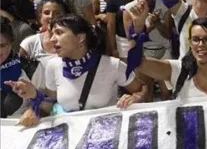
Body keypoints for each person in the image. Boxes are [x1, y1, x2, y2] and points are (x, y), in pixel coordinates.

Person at [6, 14, 144, 126]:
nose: (52, 39)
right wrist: (34, 99)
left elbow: (142, 89)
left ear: (80, 38)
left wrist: (135, 98)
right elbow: (50, 104)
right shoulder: (53, 66)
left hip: (106, 140)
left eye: (59, 33)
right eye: (52, 34)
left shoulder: (112, 65)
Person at [125, 3, 207, 100]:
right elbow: (138, 63)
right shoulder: (177, 70)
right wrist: (137, 28)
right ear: (190, 43)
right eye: (196, 39)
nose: (201, 45)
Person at [19, 0, 71, 89]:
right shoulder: (29, 43)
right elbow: (20, 74)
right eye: (46, 13)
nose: (51, 16)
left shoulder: (73, 42)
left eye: (57, 13)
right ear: (40, 15)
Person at [1, 18, 28, 118]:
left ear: (11, 43)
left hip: (18, 129)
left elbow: (45, 104)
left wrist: (34, 111)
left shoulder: (29, 67)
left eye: (2, 45)